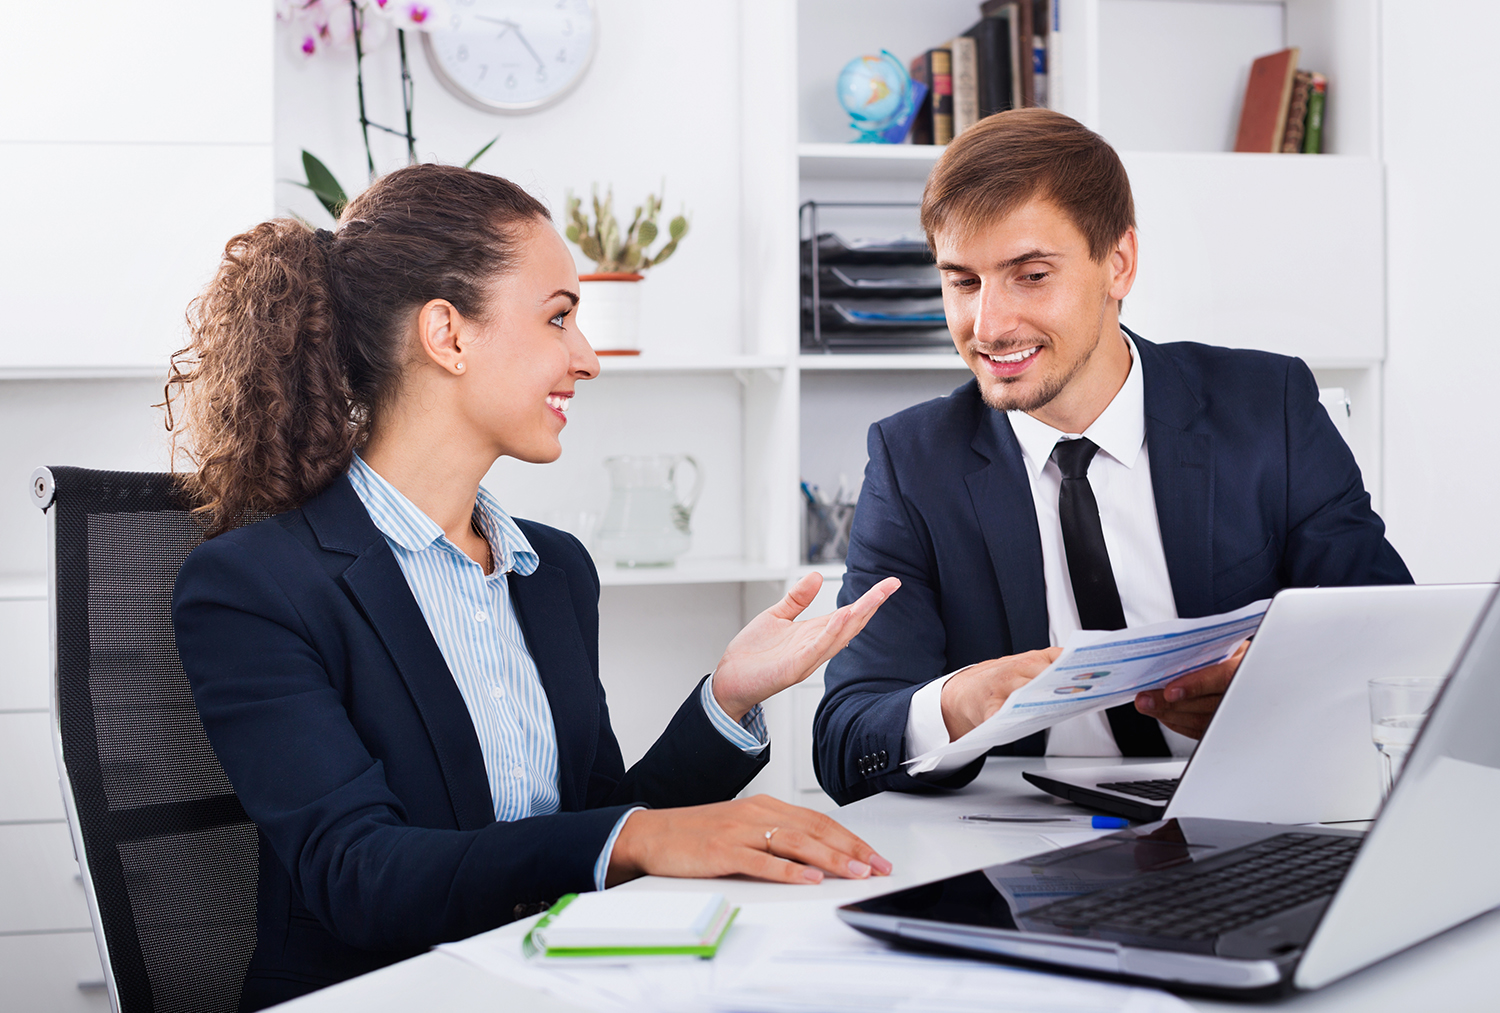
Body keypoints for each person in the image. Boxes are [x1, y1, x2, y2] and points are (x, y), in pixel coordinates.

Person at [167, 164, 899, 1009]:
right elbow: (358, 873)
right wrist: (637, 835)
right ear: (448, 334)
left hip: (551, 982)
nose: (586, 358)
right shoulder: (256, 586)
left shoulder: (550, 570)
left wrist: (727, 701)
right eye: (559, 317)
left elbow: (593, 821)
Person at [813, 109, 1411, 806]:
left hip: (1257, 810)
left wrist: (1273, 692)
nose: (989, 325)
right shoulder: (913, 461)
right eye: (964, 282)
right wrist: (957, 704)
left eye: (1030, 275)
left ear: (1118, 263)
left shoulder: (1267, 406)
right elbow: (845, 734)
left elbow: (1393, 644)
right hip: (1025, 842)